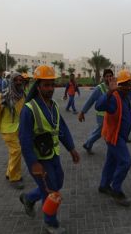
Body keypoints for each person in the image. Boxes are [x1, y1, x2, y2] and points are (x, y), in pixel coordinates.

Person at [19, 65, 80, 234]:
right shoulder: (29, 109)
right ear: (38, 86)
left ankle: (29, 198)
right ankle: (50, 223)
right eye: (46, 85)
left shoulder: (53, 105)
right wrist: (33, 163)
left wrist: (72, 148)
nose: (50, 88)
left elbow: (62, 129)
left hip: (53, 155)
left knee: (58, 182)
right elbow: (24, 140)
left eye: (52, 84)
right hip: (39, 159)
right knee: (51, 190)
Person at [95, 69, 131, 207]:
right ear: (119, 84)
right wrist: (109, 91)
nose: (129, 87)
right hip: (113, 137)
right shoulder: (114, 98)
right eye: (126, 84)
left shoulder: (126, 98)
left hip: (119, 136)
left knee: (111, 162)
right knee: (125, 162)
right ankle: (116, 189)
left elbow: (127, 114)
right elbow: (98, 105)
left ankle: (103, 185)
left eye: (130, 84)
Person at [0, 72, 27, 189]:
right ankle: (14, 178)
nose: (19, 82)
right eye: (16, 80)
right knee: (17, 151)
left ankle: (9, 172)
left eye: (21, 80)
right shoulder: (2, 97)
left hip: (19, 129)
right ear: (11, 81)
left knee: (14, 152)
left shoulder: (23, 95)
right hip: (7, 129)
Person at [78, 69, 114, 154]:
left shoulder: (113, 87)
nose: (109, 78)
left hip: (111, 115)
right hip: (101, 116)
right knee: (103, 132)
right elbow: (90, 100)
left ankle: (88, 144)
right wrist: (82, 112)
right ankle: (112, 151)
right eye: (107, 76)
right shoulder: (99, 88)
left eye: (110, 76)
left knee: (100, 132)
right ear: (103, 78)